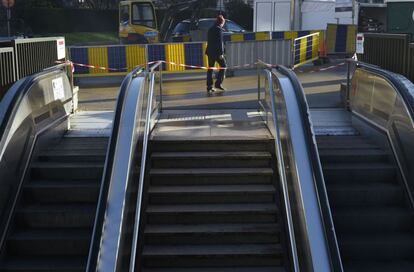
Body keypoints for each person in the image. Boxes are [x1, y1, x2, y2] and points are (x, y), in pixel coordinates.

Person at [205, 14, 227, 95]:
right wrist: (221, 53)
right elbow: (220, 43)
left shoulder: (210, 29)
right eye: (223, 22)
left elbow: (209, 41)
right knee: (224, 66)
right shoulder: (219, 29)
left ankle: (209, 87)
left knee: (210, 69)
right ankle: (218, 84)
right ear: (221, 22)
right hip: (217, 53)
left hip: (209, 52)